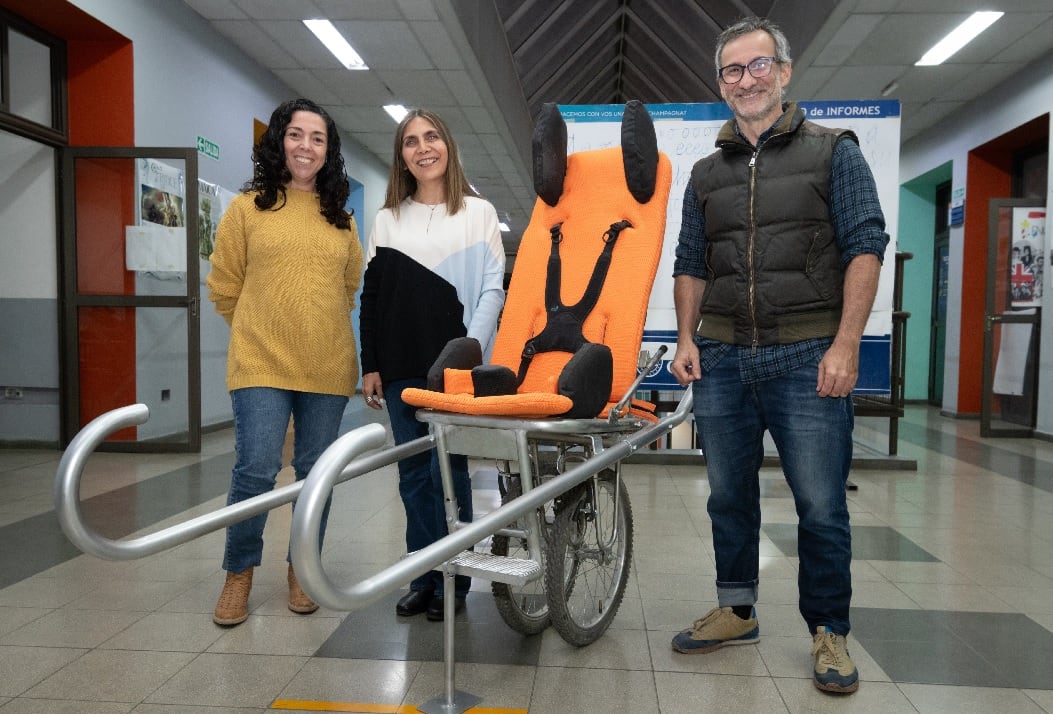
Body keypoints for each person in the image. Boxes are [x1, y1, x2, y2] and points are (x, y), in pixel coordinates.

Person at [668, 17, 889, 694]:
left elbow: (864, 245)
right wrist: (684, 338)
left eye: (757, 65)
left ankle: (829, 633)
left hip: (807, 357)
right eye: (732, 71)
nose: (746, 80)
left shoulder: (833, 153)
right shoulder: (706, 172)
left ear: (784, 73)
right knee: (727, 497)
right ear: (720, 86)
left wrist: (845, 344)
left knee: (820, 504)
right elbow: (689, 262)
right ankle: (736, 608)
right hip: (725, 358)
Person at [206, 98, 363, 626]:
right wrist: (260, 328)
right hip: (260, 363)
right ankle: (239, 572)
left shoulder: (340, 218)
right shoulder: (247, 209)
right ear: (279, 141)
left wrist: (309, 325)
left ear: (327, 151)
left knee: (315, 473)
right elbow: (224, 286)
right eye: (296, 135)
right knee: (255, 470)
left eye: (317, 139)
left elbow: (347, 288)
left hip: (327, 365)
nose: (305, 146)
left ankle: (303, 567)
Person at [359, 108, 505, 621]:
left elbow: (492, 288)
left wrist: (470, 350)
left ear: (448, 145)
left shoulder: (478, 213)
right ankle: (422, 575)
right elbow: (371, 296)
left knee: (452, 472)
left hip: (452, 365)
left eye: (432, 137)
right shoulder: (386, 219)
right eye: (411, 141)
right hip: (399, 365)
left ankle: (455, 582)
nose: (423, 148)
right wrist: (370, 361)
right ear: (401, 155)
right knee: (413, 477)